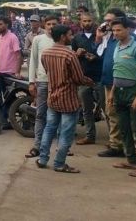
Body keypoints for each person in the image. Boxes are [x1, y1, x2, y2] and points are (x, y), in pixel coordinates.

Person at [35, 25, 94, 173]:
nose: (71, 37)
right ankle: (59, 163)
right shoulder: (69, 55)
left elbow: (48, 72)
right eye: (69, 35)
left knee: (49, 129)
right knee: (66, 133)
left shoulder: (46, 53)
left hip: (53, 97)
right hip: (68, 99)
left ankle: (42, 159)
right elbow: (78, 78)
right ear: (62, 36)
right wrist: (90, 82)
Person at [108, 18, 136, 178]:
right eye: (114, 30)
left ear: (128, 29)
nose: (115, 33)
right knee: (124, 129)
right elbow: (117, 71)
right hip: (119, 93)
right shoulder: (117, 47)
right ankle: (132, 160)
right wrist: (112, 92)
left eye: (119, 30)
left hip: (133, 92)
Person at [96, 8, 130, 158]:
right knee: (111, 113)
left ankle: (122, 146)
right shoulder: (109, 37)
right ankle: (116, 144)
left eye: (110, 21)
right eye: (106, 21)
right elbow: (98, 54)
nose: (107, 24)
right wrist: (99, 38)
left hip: (121, 82)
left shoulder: (129, 39)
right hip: (108, 81)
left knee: (119, 114)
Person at [26, 16, 59, 158]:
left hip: (59, 83)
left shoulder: (63, 40)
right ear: (44, 25)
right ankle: (37, 146)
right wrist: (31, 82)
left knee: (58, 115)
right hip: (43, 82)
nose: (51, 26)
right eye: (49, 24)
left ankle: (61, 146)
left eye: (54, 24)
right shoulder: (38, 40)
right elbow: (33, 61)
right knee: (40, 115)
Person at [71, 13, 103, 146]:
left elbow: (106, 54)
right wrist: (77, 54)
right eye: (84, 21)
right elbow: (72, 57)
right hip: (83, 78)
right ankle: (90, 136)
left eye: (89, 21)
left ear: (93, 21)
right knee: (86, 109)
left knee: (107, 108)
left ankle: (115, 140)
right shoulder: (76, 38)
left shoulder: (100, 35)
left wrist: (96, 57)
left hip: (100, 77)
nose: (87, 23)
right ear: (80, 22)